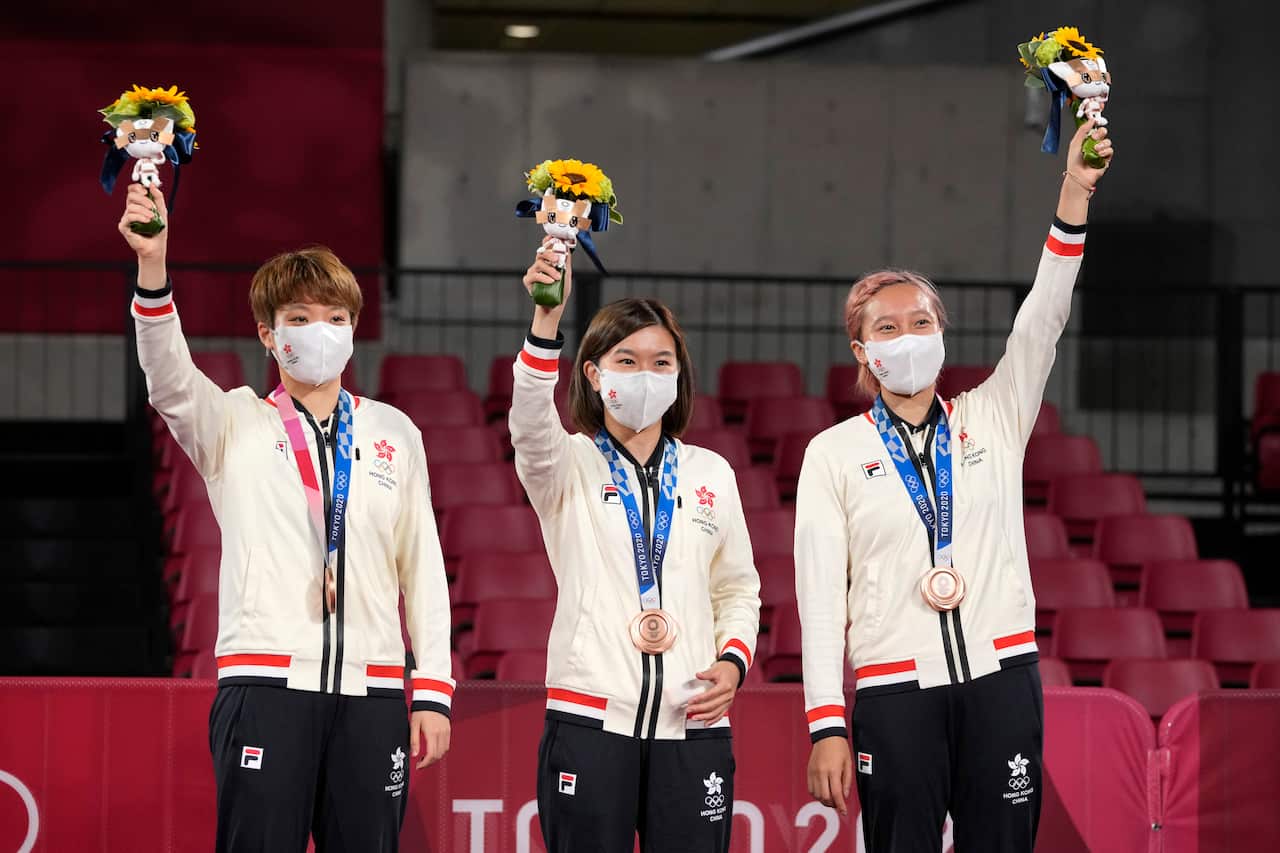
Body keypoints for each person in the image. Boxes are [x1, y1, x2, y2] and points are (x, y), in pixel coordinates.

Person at [796, 119, 1115, 852]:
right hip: (893, 691)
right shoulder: (833, 453)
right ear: (863, 351)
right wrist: (825, 721)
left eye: (919, 320)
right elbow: (819, 600)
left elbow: (1043, 318)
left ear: (941, 334)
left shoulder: (993, 417)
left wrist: (1075, 192)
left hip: (1002, 679)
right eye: (886, 326)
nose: (905, 335)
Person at [119, 183, 453, 853]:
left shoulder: (394, 432)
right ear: (269, 333)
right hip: (267, 682)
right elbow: (166, 375)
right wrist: (152, 265)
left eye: (335, 317)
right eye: (300, 317)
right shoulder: (232, 422)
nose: (320, 331)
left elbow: (424, 568)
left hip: (374, 689)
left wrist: (434, 688)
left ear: (353, 330)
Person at [510, 237, 762, 852]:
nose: (644, 375)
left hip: (694, 722)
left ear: (679, 374)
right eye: (625, 361)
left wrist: (732, 662)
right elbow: (530, 423)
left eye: (660, 362)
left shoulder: (711, 473)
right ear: (593, 375)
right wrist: (547, 318)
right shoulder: (563, 464)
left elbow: (738, 589)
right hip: (592, 719)